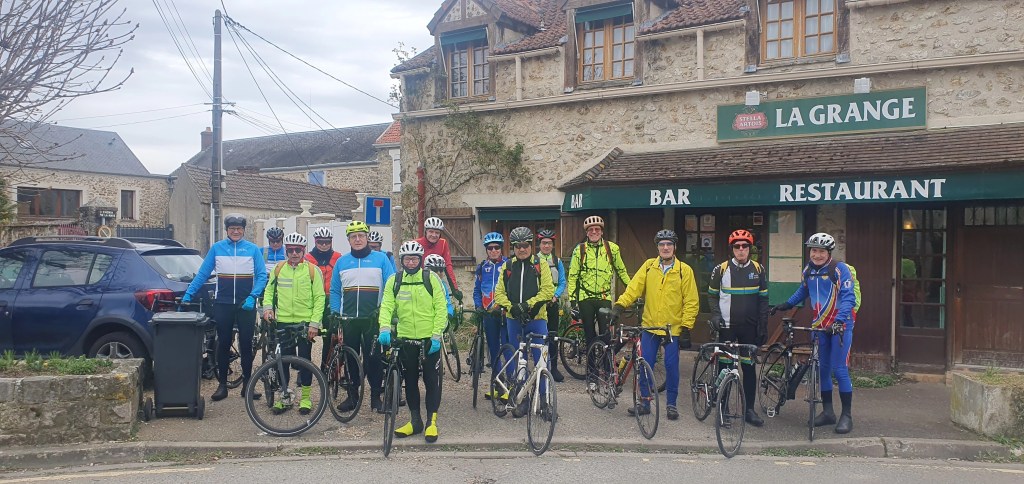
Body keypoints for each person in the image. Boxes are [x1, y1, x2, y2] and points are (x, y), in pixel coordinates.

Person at [772, 232, 857, 434]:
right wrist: (787, 304)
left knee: (840, 369)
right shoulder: (808, 270)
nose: (817, 255)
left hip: (840, 327)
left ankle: (847, 416)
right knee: (822, 370)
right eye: (814, 251)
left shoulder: (840, 269)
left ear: (829, 253)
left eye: (821, 251)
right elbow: (803, 291)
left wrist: (839, 321)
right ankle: (828, 412)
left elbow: (849, 298)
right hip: (819, 326)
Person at [613, 229, 698, 421]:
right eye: (662, 244)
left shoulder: (684, 270)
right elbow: (633, 288)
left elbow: (691, 301)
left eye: (669, 244)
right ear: (657, 247)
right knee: (645, 364)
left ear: (674, 247)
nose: (665, 247)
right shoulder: (649, 266)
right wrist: (620, 305)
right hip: (650, 326)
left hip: (672, 328)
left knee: (671, 366)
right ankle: (644, 402)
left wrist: (686, 327)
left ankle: (671, 404)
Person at [183, 213, 268, 401]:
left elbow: (262, 276)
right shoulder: (217, 248)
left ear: (243, 230)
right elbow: (203, 274)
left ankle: (247, 385)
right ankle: (222, 385)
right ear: (227, 230)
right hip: (223, 303)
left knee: (246, 345)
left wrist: (253, 296)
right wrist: (189, 293)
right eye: (232, 229)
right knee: (223, 344)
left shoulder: (253, 249)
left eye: (239, 229)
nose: (235, 231)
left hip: (246, 304)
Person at [378, 241, 447, 442]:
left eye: (414, 259)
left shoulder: (430, 278)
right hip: (406, 338)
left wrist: (436, 335)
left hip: (429, 339)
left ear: (420, 260)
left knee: (431, 380)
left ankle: (431, 422)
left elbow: (441, 308)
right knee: (409, 380)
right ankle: (415, 421)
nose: (411, 263)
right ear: (401, 260)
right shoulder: (395, 280)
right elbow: (386, 306)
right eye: (407, 259)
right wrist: (384, 328)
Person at [329, 220, 396, 412]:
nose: (357, 239)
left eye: (361, 236)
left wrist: (384, 311)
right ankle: (352, 396)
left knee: (373, 358)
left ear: (367, 238)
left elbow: (391, 287)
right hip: (349, 319)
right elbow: (335, 290)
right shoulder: (342, 262)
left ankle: (376, 397)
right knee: (350, 359)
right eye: (353, 237)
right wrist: (335, 312)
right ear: (348, 240)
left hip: (372, 319)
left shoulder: (381, 259)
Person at [708, 229, 769, 427]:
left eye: (745, 246)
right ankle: (722, 409)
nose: (741, 249)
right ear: (732, 249)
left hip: (749, 329)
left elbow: (763, 299)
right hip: (727, 327)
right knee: (725, 368)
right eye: (737, 246)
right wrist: (715, 315)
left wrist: (763, 325)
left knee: (749, 368)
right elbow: (712, 295)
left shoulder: (758, 269)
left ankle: (749, 410)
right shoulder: (721, 269)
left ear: (750, 249)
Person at [493, 227, 555, 415]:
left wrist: (527, 305)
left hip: (537, 319)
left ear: (531, 245)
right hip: (514, 320)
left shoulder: (540, 264)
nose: (522, 249)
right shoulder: (508, 266)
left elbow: (548, 290)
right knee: (518, 360)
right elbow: (499, 293)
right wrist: (511, 307)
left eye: (525, 245)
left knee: (541, 361)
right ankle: (522, 399)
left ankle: (545, 402)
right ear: (513, 247)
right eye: (518, 246)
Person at [261, 232, 324, 414]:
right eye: (290, 250)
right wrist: (267, 308)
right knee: (283, 361)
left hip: (305, 323)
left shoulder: (312, 270)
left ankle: (305, 398)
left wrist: (314, 323)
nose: (294, 253)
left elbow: (320, 298)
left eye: (298, 250)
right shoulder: (279, 268)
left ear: (303, 251)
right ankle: (285, 397)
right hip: (283, 321)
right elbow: (269, 291)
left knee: (304, 360)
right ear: (286, 251)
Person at [566, 215, 631, 377]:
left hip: (603, 297)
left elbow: (621, 271)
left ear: (602, 232)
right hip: (585, 298)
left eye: (597, 229)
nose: (594, 232)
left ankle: (607, 369)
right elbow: (573, 276)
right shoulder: (580, 250)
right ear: (587, 233)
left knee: (605, 335)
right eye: (591, 230)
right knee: (590, 336)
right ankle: (592, 372)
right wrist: (573, 301)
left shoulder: (612, 248)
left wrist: (632, 291)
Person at [473, 231, 508, 397]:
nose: (494, 250)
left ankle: (511, 385)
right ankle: (498, 385)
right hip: (489, 314)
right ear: (486, 250)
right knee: (493, 350)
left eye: (497, 247)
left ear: (501, 248)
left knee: (508, 349)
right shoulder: (482, 267)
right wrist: (478, 306)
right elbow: (477, 290)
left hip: (505, 313)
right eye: (490, 248)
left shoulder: (509, 265)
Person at [304, 226, 342, 369]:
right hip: (312, 301)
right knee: (306, 337)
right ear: (315, 241)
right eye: (320, 242)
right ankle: (305, 369)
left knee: (330, 337)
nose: (324, 245)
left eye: (327, 242)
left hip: (331, 300)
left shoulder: (338, 257)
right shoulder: (307, 259)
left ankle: (326, 368)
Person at [536, 228, 567, 382]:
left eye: (549, 243)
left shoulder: (557, 261)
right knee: (539, 335)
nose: (546, 246)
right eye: (544, 243)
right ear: (539, 244)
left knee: (553, 335)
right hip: (539, 304)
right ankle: (539, 366)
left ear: (553, 245)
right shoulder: (534, 260)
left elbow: (562, 282)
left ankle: (553, 367)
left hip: (552, 303)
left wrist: (555, 296)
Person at [417, 217, 462, 301]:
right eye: (431, 231)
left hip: (437, 280)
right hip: (420, 282)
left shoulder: (443, 243)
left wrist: (454, 288)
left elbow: (448, 265)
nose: (434, 235)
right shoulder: (417, 243)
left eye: (437, 232)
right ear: (426, 231)